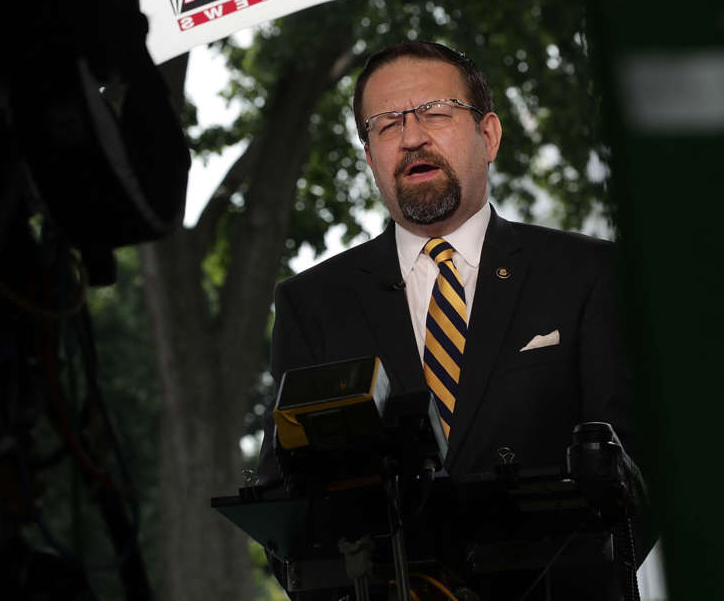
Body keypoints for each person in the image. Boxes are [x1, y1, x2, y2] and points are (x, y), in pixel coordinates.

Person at [256, 41, 647, 598]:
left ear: (488, 136)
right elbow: (286, 504)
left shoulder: (587, 273)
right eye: (386, 125)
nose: (412, 136)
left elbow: (639, 474)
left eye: (435, 112)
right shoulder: (313, 302)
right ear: (370, 159)